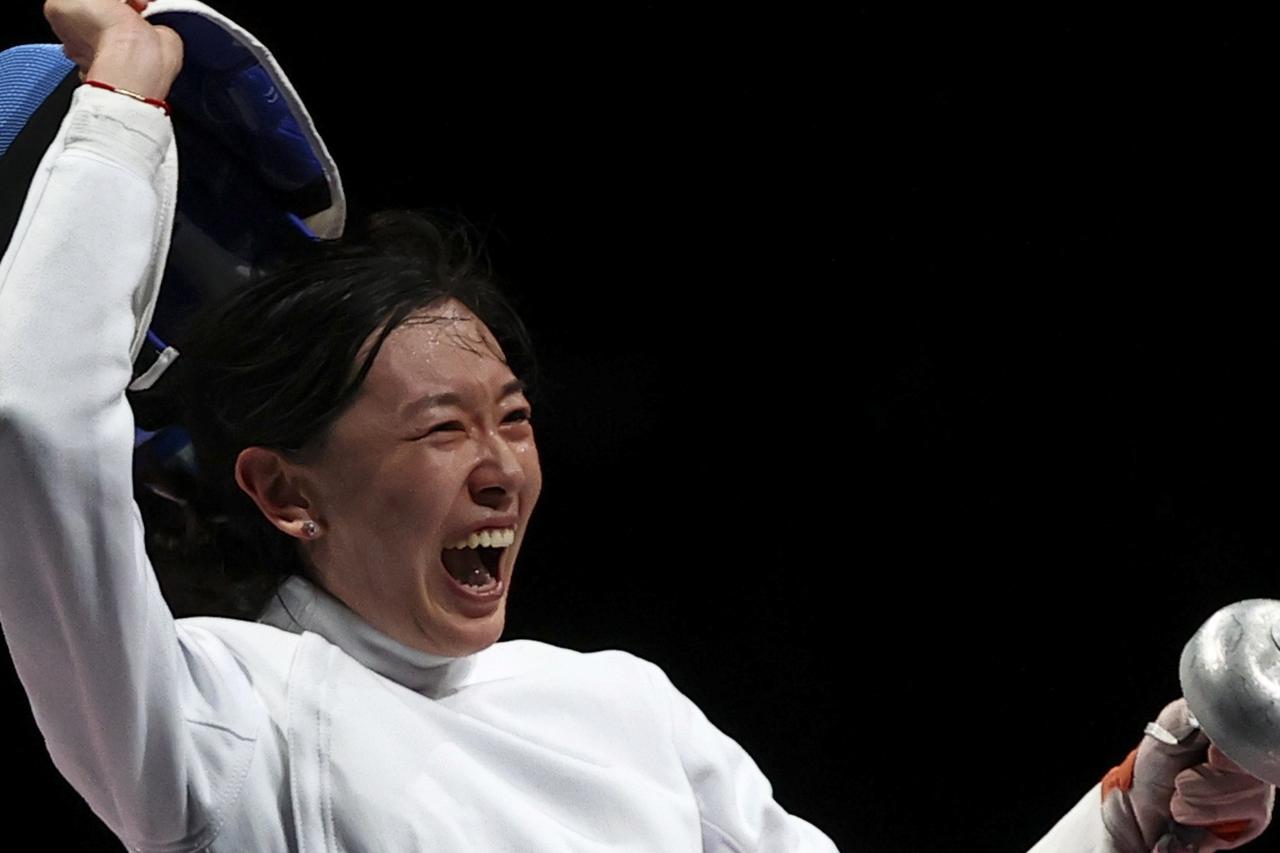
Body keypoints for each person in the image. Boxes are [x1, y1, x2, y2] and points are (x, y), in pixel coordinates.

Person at [0, 1, 841, 850]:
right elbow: (33, 423)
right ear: (287, 491)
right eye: (443, 430)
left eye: (512, 417)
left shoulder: (630, 713)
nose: (501, 468)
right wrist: (123, 102)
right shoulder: (229, 723)